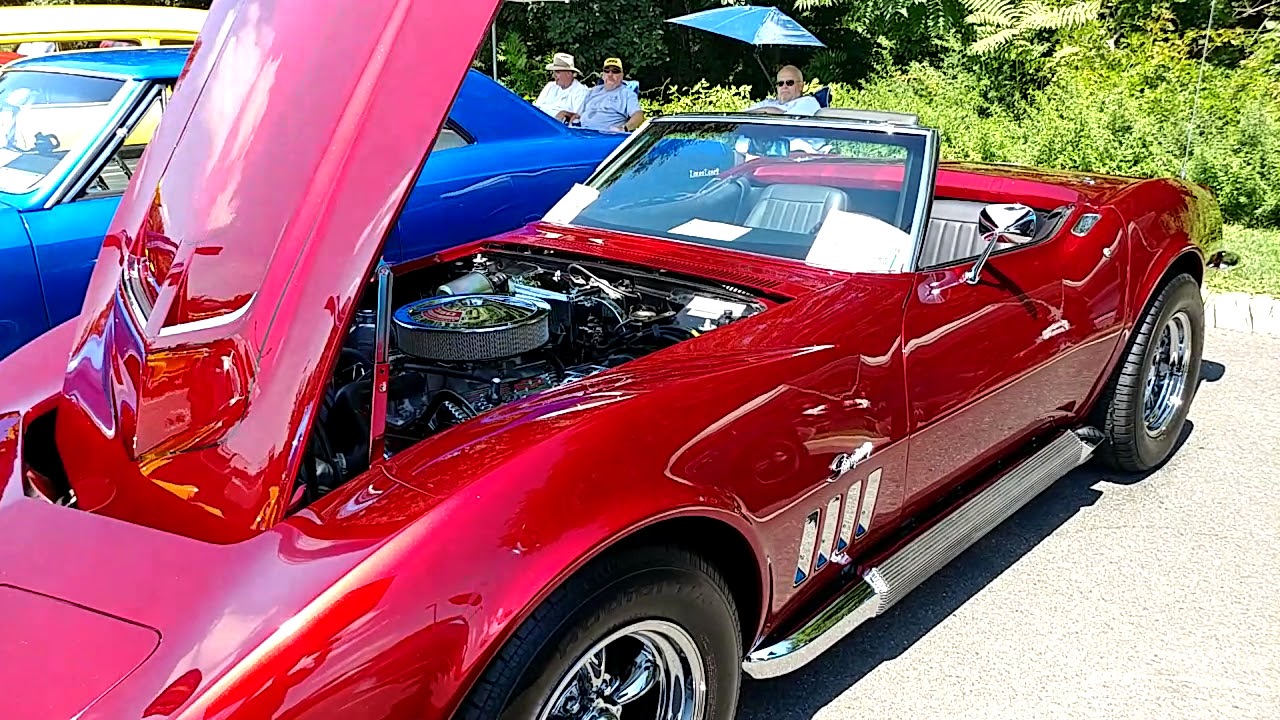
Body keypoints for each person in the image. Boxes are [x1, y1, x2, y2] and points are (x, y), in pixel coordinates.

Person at [570, 57, 644, 133]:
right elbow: (577, 115)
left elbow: (638, 115)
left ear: (622, 75)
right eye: (607, 71)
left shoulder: (627, 94)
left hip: (606, 136)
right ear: (603, 75)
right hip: (581, 133)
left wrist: (623, 129)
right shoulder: (593, 91)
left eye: (615, 71)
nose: (610, 74)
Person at [533, 52, 587, 123]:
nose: (554, 76)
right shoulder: (550, 86)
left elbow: (578, 118)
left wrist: (565, 113)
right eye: (554, 72)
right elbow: (535, 109)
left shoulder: (580, 91)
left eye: (557, 72)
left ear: (568, 73)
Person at [747, 65, 820, 116]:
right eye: (780, 83)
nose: (784, 86)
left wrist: (765, 111)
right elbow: (743, 115)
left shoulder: (808, 102)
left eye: (789, 83)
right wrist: (770, 111)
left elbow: (790, 120)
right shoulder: (767, 103)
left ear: (801, 86)